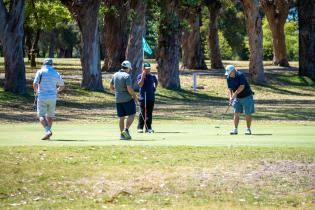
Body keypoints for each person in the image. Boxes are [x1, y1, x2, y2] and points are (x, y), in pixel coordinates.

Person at [33, 58, 64, 140]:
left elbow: (35, 84)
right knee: (50, 116)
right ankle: (48, 134)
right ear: (51, 64)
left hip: (42, 96)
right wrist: (56, 91)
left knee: (41, 115)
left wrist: (36, 92)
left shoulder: (40, 72)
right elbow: (62, 86)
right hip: (52, 97)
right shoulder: (55, 73)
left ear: (44, 64)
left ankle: (47, 131)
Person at [110, 60, 138, 140]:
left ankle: (122, 135)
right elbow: (129, 89)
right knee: (132, 114)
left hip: (118, 99)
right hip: (127, 99)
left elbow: (111, 87)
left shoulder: (115, 75)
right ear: (128, 68)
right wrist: (134, 96)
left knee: (121, 117)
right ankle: (126, 130)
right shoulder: (127, 76)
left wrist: (118, 91)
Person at [225, 65, 255, 135]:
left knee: (247, 113)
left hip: (247, 96)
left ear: (233, 71)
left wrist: (234, 95)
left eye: (230, 72)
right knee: (236, 113)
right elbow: (229, 89)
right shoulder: (228, 78)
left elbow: (242, 86)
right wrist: (230, 98)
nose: (229, 74)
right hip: (237, 98)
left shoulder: (240, 75)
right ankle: (235, 129)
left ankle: (248, 129)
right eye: (228, 73)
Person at [137, 62, 158, 133]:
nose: (148, 70)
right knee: (142, 113)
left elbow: (156, 82)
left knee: (149, 113)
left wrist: (154, 88)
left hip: (151, 97)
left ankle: (148, 127)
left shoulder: (152, 76)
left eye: (149, 69)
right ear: (143, 69)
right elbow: (140, 85)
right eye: (146, 69)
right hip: (143, 98)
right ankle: (140, 127)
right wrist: (143, 77)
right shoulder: (140, 76)